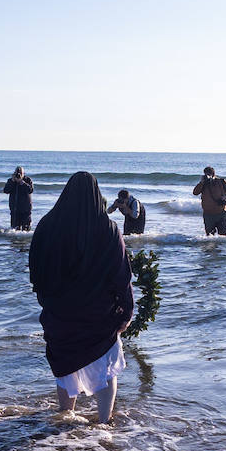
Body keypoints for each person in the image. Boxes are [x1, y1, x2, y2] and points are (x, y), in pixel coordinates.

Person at [29, 171, 133, 424]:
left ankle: (66, 415)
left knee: (65, 366)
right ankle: (103, 420)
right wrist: (126, 312)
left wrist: (46, 300)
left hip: (59, 312)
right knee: (106, 370)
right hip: (99, 314)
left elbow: (35, 266)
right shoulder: (107, 229)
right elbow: (121, 274)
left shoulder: (47, 225)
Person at [192, 166, 226, 236]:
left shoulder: (221, 182)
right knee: (209, 236)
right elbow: (195, 192)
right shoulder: (203, 184)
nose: (208, 175)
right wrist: (201, 182)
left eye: (209, 173)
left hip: (222, 213)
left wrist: (225, 196)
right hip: (208, 214)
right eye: (206, 174)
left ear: (213, 174)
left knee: (223, 236)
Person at [2, 166, 34, 231]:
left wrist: (23, 183)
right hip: (15, 209)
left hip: (26, 209)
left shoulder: (28, 180)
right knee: (14, 230)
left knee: (26, 229)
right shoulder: (11, 180)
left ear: (24, 174)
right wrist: (12, 181)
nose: (19, 175)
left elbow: (30, 190)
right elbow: (6, 191)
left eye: (20, 173)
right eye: (17, 173)